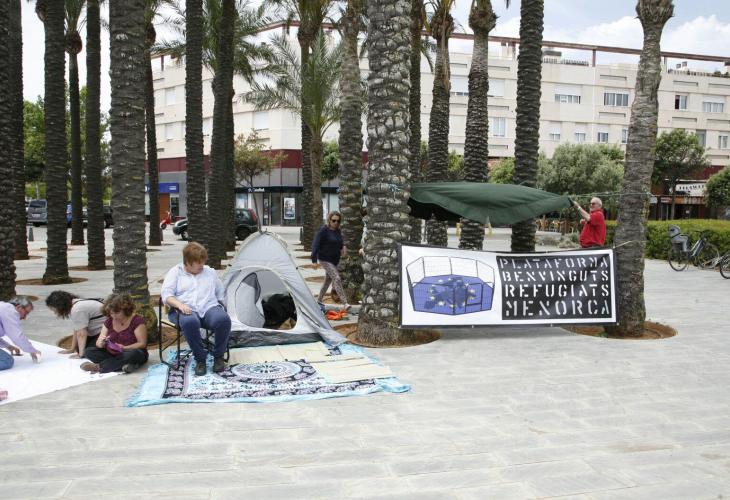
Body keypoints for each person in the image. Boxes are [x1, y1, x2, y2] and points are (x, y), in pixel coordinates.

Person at [160, 242, 231, 376]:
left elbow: (220, 293)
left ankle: (218, 356)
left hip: (208, 307)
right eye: (198, 263)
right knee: (190, 322)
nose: (201, 265)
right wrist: (179, 305)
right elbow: (167, 295)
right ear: (188, 262)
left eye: (202, 262)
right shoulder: (175, 272)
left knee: (223, 319)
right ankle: (200, 359)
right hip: (183, 308)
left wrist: (219, 308)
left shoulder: (210, 272)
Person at [81, 294, 148, 374]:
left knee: (134, 354)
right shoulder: (109, 322)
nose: (114, 316)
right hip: (113, 353)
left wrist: (124, 348)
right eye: (112, 313)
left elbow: (142, 344)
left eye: (117, 313)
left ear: (125, 310)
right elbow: (98, 343)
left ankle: (99, 367)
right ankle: (125, 365)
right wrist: (101, 343)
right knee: (89, 351)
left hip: (131, 352)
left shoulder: (137, 321)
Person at [46, 291, 105, 358]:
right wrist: (72, 349)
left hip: (106, 332)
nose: (54, 312)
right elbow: (77, 329)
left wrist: (81, 355)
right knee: (80, 348)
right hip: (98, 330)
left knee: (89, 352)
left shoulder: (77, 309)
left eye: (54, 309)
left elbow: (82, 334)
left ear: (59, 306)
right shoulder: (75, 304)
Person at [311, 210, 350, 311]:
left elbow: (340, 242)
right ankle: (345, 303)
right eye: (334, 220)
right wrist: (314, 260)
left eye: (338, 221)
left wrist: (343, 247)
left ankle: (318, 300)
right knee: (336, 278)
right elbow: (315, 244)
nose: (336, 223)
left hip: (334, 261)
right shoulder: (324, 230)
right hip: (324, 259)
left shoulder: (338, 231)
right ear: (329, 220)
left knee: (327, 281)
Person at [0, 297, 41, 371]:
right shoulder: (9, 311)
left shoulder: (4, 308)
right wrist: (32, 350)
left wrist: (8, 346)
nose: (25, 317)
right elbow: (17, 337)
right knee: (6, 361)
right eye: (26, 313)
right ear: (19, 307)